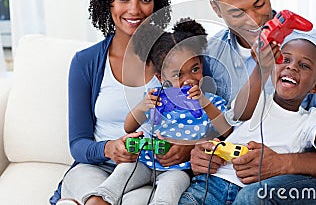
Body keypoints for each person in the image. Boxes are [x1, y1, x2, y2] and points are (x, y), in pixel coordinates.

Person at [180, 0, 316, 204]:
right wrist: (200, 151)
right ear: (217, 10)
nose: (254, 19)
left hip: (299, 182)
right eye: (237, 13)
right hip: (230, 178)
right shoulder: (212, 55)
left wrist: (281, 164)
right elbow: (221, 125)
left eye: (259, 3)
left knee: (252, 197)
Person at [180, 38, 316, 204]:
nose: (292, 67)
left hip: (255, 190)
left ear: (315, 87)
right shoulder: (255, 103)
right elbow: (239, 114)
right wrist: (261, 68)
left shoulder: (309, 121)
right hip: (214, 184)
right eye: (285, 60)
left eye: (304, 66)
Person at [49, 0, 177, 205]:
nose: (135, 10)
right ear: (107, 2)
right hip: (95, 168)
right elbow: (78, 143)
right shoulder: (86, 62)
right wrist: (109, 148)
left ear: (156, 4)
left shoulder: (176, 55)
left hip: (148, 173)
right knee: (95, 200)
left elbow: (204, 115)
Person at [81, 18, 231, 205]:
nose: (188, 80)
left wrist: (204, 101)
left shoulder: (211, 101)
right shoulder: (158, 98)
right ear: (161, 78)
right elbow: (129, 127)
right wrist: (142, 107)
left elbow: (226, 131)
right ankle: (97, 200)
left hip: (179, 169)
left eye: (195, 69)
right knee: (122, 173)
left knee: (173, 187)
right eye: (178, 75)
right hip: (145, 161)